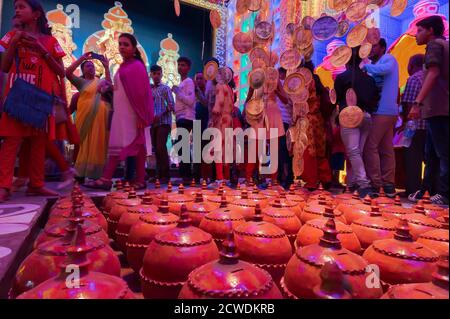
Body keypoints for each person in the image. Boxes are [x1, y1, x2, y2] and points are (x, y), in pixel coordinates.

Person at [0, 0, 66, 202]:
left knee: (39, 141)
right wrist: (15, 42)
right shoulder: (11, 36)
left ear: (36, 14)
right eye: (16, 7)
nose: (17, 10)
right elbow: (4, 67)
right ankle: (4, 186)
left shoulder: (50, 41)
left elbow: (61, 72)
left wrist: (41, 48)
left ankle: (36, 185)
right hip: (17, 96)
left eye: (22, 7)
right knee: (12, 139)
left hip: (41, 97)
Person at [86, 33, 153, 190]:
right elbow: (122, 89)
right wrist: (109, 87)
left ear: (134, 48)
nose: (122, 47)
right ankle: (109, 178)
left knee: (138, 145)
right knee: (120, 144)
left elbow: (141, 93)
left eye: (126, 44)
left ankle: (133, 179)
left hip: (133, 114)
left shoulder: (137, 66)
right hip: (121, 113)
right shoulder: (123, 66)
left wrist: (140, 116)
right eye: (120, 44)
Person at [409, 15, 449, 205]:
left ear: (430, 30)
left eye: (419, 30)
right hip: (438, 108)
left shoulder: (434, 46)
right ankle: (426, 191)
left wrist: (417, 103)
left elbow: (433, 73)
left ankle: (445, 193)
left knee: (443, 153)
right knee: (431, 154)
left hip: (440, 107)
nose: (416, 35)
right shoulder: (445, 46)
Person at [334, 47, 380, 198]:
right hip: (366, 117)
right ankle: (352, 184)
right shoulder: (369, 79)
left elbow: (338, 99)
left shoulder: (341, 78)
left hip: (349, 117)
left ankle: (363, 184)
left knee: (353, 152)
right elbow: (374, 99)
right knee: (357, 152)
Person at [66, 52, 112, 182]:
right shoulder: (81, 82)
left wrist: (107, 67)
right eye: (87, 66)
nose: (91, 67)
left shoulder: (100, 82)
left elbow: (109, 85)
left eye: (92, 66)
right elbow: (68, 73)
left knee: (97, 144)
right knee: (84, 145)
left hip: (100, 120)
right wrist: (82, 58)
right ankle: (80, 174)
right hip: (85, 119)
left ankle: (95, 174)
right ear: (83, 70)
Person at [362, 38, 400, 197]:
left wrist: (365, 67)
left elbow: (384, 69)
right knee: (386, 149)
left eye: (374, 46)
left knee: (370, 146)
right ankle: (388, 184)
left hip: (383, 111)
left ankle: (376, 183)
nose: (370, 49)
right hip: (385, 112)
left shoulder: (388, 59)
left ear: (383, 47)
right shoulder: (376, 65)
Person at [398, 54, 427, 200]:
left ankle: (412, 190)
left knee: (412, 159)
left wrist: (405, 124)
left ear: (413, 65)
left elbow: (409, 104)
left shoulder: (414, 79)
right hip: (430, 125)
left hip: (415, 127)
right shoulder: (430, 77)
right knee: (430, 160)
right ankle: (429, 192)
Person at [301, 62, 333, 190]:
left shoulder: (306, 82)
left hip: (308, 120)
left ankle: (311, 181)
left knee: (309, 151)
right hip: (318, 120)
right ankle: (326, 178)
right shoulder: (317, 81)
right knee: (320, 150)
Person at [150, 64, 174, 183]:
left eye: (158, 73)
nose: (156, 76)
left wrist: (160, 114)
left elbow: (171, 105)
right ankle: (158, 175)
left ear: (161, 74)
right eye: (154, 74)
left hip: (163, 122)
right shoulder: (149, 89)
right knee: (156, 149)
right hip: (153, 123)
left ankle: (166, 175)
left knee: (161, 147)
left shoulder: (165, 88)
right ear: (151, 75)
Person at [173, 56, 196, 183]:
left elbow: (190, 101)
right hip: (180, 117)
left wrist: (177, 92)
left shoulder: (188, 82)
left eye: (183, 65)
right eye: (179, 64)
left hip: (187, 117)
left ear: (188, 68)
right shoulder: (182, 82)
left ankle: (187, 176)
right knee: (182, 146)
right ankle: (185, 176)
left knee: (182, 146)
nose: (180, 67)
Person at [276, 67, 294, 189]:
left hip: (283, 121)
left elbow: (289, 102)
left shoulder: (285, 85)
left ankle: (284, 178)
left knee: (283, 151)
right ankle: (286, 178)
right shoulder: (291, 84)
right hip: (284, 121)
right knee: (285, 151)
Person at [193, 71, 210, 182]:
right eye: (197, 79)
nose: (198, 81)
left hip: (207, 124)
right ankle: (196, 176)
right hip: (197, 124)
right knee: (197, 152)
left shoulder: (208, 92)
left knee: (207, 152)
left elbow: (207, 105)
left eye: (200, 78)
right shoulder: (194, 94)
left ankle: (206, 176)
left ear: (205, 80)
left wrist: (198, 92)